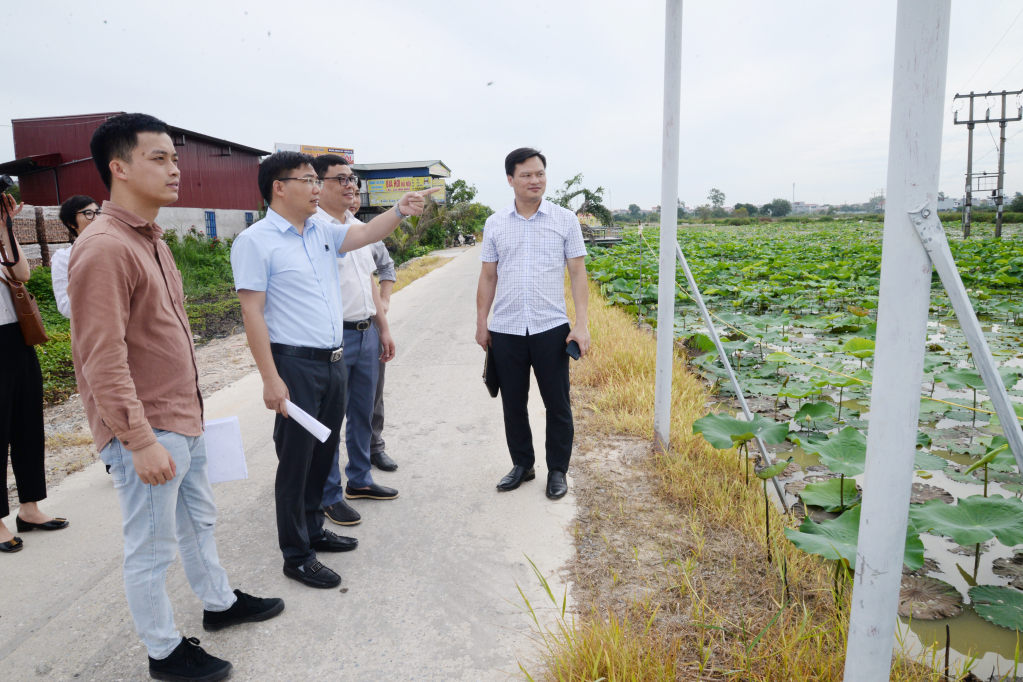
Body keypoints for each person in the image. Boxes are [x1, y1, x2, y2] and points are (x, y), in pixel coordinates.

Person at [68, 113, 284, 682]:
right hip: (147, 428)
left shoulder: (151, 239)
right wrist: (137, 441)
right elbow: (101, 358)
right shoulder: (105, 247)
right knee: (151, 547)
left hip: (182, 418)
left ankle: (219, 604)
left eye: (176, 159)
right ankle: (163, 653)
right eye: (158, 158)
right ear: (118, 167)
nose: (175, 170)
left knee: (198, 521)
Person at [231, 151, 438, 589]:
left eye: (314, 179)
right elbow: (253, 314)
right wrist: (271, 378)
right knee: (296, 463)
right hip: (294, 365)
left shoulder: (322, 231)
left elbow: (365, 234)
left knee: (322, 455)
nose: (314, 188)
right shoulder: (256, 241)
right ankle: (296, 554)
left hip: (334, 359)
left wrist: (399, 210)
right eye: (307, 180)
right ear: (278, 187)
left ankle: (314, 528)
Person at [475, 148, 591, 500]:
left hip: (550, 327)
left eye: (539, 173)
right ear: (510, 179)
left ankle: (558, 470)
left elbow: (577, 272)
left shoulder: (564, 219)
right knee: (513, 401)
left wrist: (582, 323)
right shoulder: (495, 223)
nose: (535, 180)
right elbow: (488, 276)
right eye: (526, 175)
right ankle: (523, 465)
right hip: (506, 328)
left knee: (557, 403)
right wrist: (482, 322)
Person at [311, 155, 397, 528]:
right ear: (318, 184)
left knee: (362, 412)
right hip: (334, 338)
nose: (350, 186)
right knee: (329, 419)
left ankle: (359, 479)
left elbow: (369, 286)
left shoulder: (358, 229)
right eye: (341, 179)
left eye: (353, 180)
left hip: (366, 333)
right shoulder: (312, 230)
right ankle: (329, 494)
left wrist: (384, 328)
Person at [0, 194, 69, 554]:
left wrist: (4, 226)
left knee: (27, 423)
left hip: (14, 335)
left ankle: (29, 508)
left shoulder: (1, 236)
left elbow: (23, 274)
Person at [345, 181, 399, 473]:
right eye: (346, 192)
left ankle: (372, 450)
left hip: (369, 328)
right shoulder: (318, 231)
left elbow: (385, 269)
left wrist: (384, 302)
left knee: (370, 396)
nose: (352, 199)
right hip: (334, 333)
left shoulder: (368, 234)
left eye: (355, 194)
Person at [51, 195, 101, 318]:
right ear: (71, 223)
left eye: (98, 212)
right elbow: (66, 306)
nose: (96, 218)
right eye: (88, 213)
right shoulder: (64, 257)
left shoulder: (117, 249)